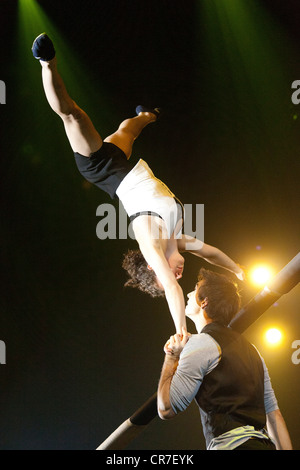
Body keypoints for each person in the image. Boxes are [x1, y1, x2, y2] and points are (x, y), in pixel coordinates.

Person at [31, 33, 245, 333]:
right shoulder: (176, 239)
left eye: (167, 274)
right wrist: (238, 270)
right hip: (121, 164)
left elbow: (171, 291)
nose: (178, 275)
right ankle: (147, 115)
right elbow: (210, 252)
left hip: (100, 168)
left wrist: (181, 331)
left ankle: (46, 62)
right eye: (177, 276)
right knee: (129, 130)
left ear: (152, 267)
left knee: (73, 114)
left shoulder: (151, 241)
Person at [157, 268, 293, 450]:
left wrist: (171, 357)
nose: (188, 294)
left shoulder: (200, 344)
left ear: (204, 302)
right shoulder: (254, 351)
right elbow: (274, 415)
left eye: (195, 289)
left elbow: (166, 409)